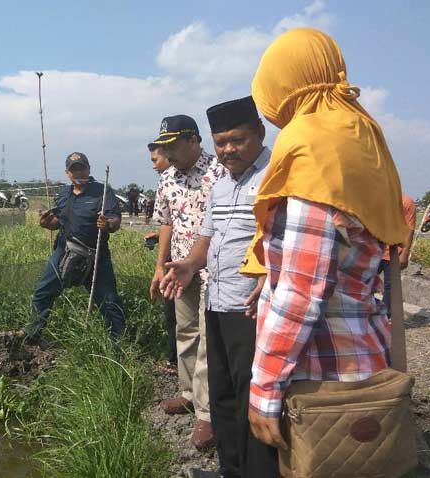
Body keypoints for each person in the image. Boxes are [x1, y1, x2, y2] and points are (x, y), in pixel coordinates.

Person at [237, 28, 409, 454]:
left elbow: (300, 290)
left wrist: (265, 387)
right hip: (368, 353)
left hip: (324, 374)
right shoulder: (361, 134)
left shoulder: (310, 144)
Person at [161, 96, 279, 478]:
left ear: (259, 133)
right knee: (224, 394)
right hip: (216, 301)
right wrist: (188, 264)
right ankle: (231, 468)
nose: (228, 150)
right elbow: (208, 235)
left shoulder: (277, 176)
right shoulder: (223, 184)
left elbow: (292, 238)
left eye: (237, 140)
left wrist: (269, 275)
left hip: (251, 308)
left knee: (253, 397)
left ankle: (258, 471)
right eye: (221, 142)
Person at [150, 114, 225, 450]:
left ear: (194, 140)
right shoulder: (167, 179)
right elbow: (165, 223)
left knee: (209, 340)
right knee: (185, 331)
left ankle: (208, 414)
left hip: (214, 269)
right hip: (180, 269)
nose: (170, 153)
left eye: (174, 145)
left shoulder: (220, 172)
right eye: (165, 147)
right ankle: (188, 394)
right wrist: (160, 267)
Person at [23, 152, 126, 342]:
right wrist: (46, 223)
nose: (78, 173)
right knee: (42, 292)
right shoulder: (64, 194)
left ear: (88, 169)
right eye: (73, 170)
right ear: (67, 173)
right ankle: (32, 335)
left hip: (95, 255)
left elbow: (115, 220)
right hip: (65, 251)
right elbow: (57, 222)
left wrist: (108, 224)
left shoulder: (102, 192)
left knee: (109, 301)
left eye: (81, 168)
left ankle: (118, 344)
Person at [144, 143, 178, 372]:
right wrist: (159, 235)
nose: (154, 165)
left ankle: (176, 362)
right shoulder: (167, 181)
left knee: (177, 317)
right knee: (173, 315)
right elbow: (171, 223)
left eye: (156, 159)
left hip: (187, 263)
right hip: (172, 260)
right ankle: (175, 361)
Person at [380, 193, 417, 312]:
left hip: (394, 253)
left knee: (390, 287)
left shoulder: (407, 202)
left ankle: (384, 318)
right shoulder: (375, 197)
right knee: (364, 282)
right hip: (373, 251)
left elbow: (409, 230)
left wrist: (405, 254)